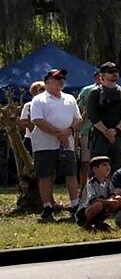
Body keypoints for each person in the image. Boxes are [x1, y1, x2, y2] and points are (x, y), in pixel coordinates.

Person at [29, 69, 82, 221]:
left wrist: (69, 131)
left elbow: (77, 119)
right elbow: (37, 120)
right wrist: (59, 134)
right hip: (45, 144)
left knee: (71, 174)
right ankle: (47, 208)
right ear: (47, 82)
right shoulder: (39, 100)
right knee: (45, 175)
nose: (61, 81)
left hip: (67, 144)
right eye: (57, 78)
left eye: (62, 78)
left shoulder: (70, 98)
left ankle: (75, 206)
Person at [86, 62, 121, 163]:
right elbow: (92, 115)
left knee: (116, 168)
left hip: (117, 136)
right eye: (110, 72)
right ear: (102, 75)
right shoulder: (95, 92)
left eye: (116, 71)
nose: (114, 74)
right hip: (99, 136)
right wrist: (106, 132)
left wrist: (115, 130)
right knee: (98, 168)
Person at [76, 156, 121, 231]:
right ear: (95, 169)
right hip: (85, 212)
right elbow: (93, 200)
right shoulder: (91, 184)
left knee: (116, 201)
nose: (108, 167)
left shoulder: (107, 182)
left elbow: (112, 194)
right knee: (98, 205)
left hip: (102, 206)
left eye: (109, 165)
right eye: (104, 165)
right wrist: (108, 202)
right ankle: (86, 225)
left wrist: (112, 200)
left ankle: (99, 223)